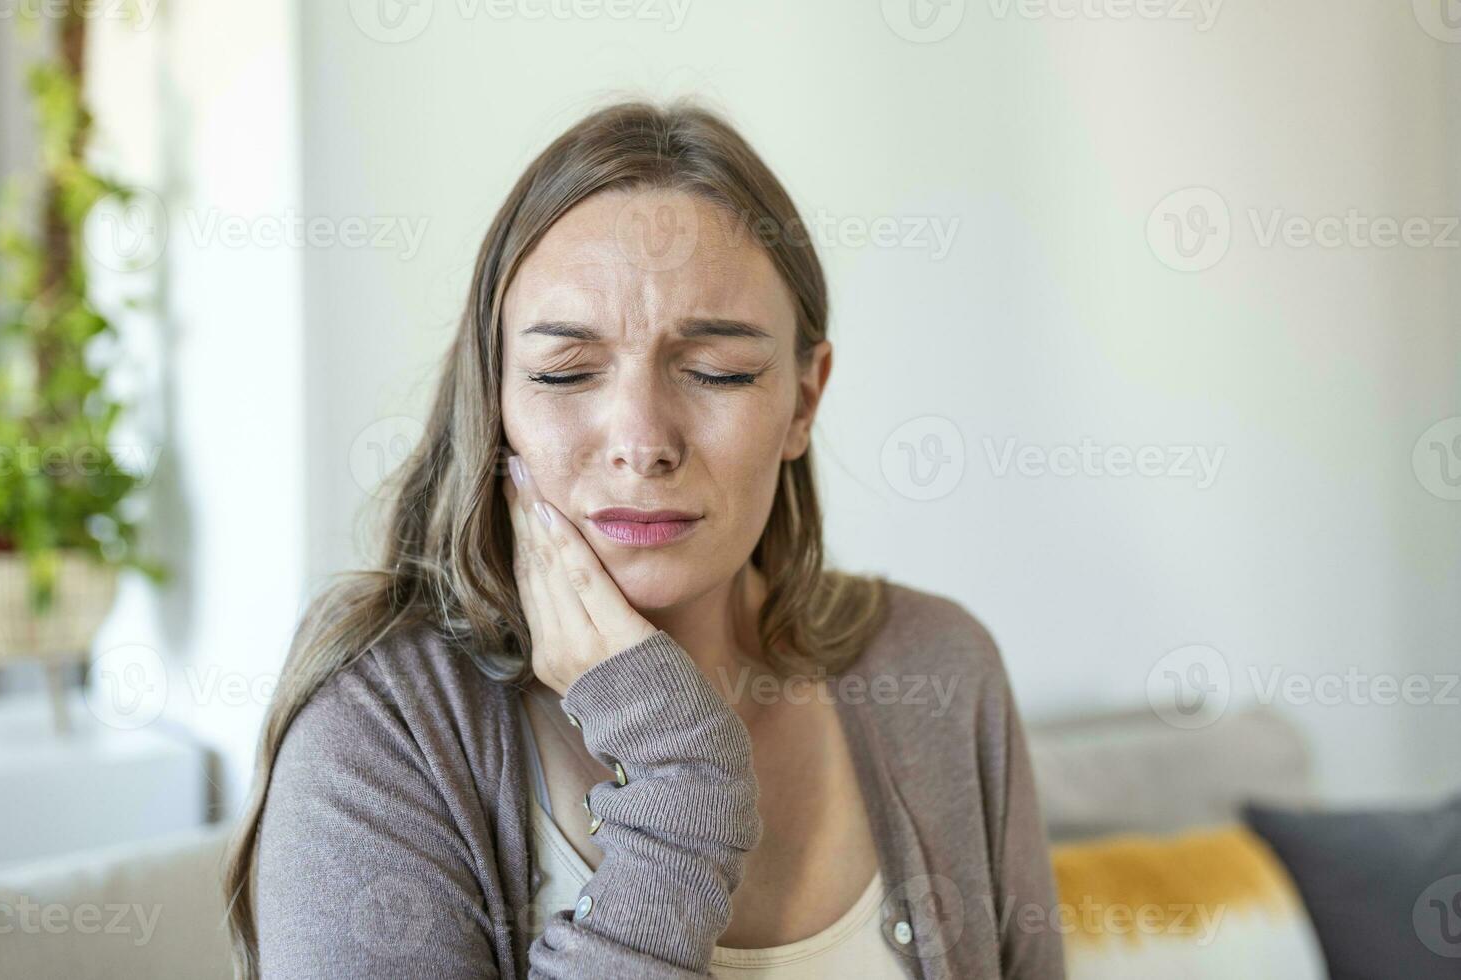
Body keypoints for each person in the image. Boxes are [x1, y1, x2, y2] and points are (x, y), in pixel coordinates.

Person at [221, 97, 1066, 979]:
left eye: (716, 371)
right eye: (566, 372)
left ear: (804, 401)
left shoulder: (940, 667)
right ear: (496, 398)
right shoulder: (381, 724)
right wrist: (682, 779)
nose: (642, 440)